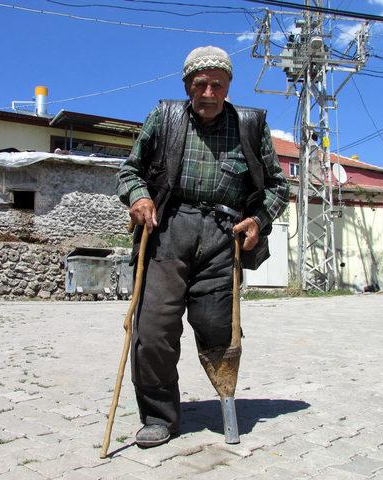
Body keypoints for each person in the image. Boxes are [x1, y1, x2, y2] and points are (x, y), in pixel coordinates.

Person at [117, 46, 289, 448]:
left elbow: (279, 188)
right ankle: (159, 416)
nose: (208, 92)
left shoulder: (250, 124)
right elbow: (129, 170)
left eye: (217, 84)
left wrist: (258, 220)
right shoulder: (165, 117)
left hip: (221, 235)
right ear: (186, 85)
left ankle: (226, 402)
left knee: (218, 328)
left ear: (228, 85)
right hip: (167, 230)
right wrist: (139, 197)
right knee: (152, 329)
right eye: (200, 84)